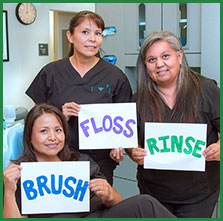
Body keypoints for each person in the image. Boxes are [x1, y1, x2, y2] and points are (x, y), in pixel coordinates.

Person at [3, 103, 175, 218]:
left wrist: (108, 194)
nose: (53, 138)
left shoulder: (80, 162)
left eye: (58, 130)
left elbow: (118, 203)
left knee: (145, 203)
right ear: (29, 136)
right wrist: (9, 192)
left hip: (96, 216)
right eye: (43, 131)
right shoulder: (19, 173)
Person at [25, 10, 131, 186]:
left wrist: (118, 144)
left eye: (98, 33)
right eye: (85, 32)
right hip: (56, 159)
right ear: (70, 36)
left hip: (101, 162)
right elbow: (35, 120)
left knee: (99, 207)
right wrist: (60, 116)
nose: (93, 39)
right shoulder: (51, 72)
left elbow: (125, 121)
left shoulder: (115, 76)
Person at [124, 31, 220, 218]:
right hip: (154, 193)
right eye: (151, 59)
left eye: (165, 56)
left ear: (180, 56)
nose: (159, 64)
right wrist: (133, 151)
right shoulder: (137, 100)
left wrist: (219, 146)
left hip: (200, 194)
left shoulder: (207, 89)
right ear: (145, 65)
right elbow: (129, 138)